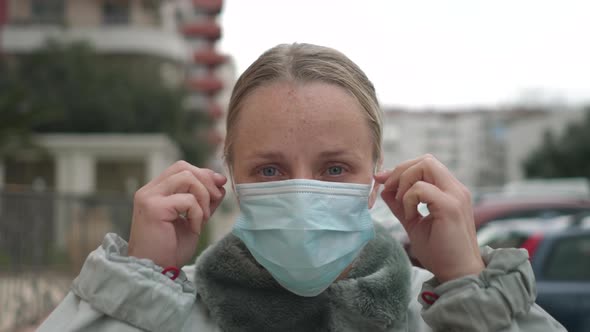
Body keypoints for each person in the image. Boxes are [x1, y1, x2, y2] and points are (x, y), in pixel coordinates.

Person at [39, 43, 566, 332]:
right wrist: (139, 285)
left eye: (335, 169)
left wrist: (470, 291)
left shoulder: (429, 312)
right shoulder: (169, 310)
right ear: (230, 176)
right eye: (269, 170)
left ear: (375, 176)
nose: (302, 193)